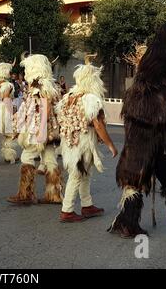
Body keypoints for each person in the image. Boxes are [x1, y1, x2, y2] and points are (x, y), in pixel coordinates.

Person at [108, 22, 166, 238]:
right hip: (142, 149)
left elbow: (161, 112)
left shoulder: (146, 90)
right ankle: (127, 224)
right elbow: (159, 116)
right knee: (137, 186)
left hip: (157, 147)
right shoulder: (145, 91)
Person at [57, 58, 118, 222]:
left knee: (85, 172)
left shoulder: (69, 96)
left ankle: (87, 204)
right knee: (77, 174)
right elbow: (98, 125)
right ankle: (67, 210)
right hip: (83, 142)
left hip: (70, 140)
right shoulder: (90, 98)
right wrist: (111, 145)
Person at [8, 54, 64, 205]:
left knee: (27, 157)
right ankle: (54, 194)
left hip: (39, 129)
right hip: (48, 129)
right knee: (50, 159)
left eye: (27, 68)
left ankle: (26, 194)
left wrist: (41, 129)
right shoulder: (47, 84)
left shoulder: (41, 85)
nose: (25, 71)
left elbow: (46, 107)